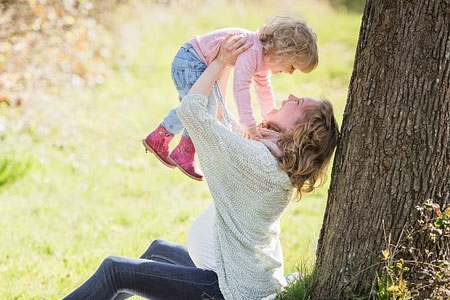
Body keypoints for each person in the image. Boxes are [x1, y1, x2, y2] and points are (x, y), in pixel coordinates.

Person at [62, 34, 339, 300]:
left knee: (116, 270)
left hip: (229, 291)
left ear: (301, 131)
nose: (290, 96)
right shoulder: (270, 155)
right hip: (227, 274)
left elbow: (192, 113)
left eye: (299, 103)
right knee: (157, 251)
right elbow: (222, 121)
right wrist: (230, 65)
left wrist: (218, 62)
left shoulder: (260, 163)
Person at [142, 16, 318, 181]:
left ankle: (164, 140)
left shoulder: (262, 58)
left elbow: (264, 89)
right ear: (284, 52)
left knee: (201, 108)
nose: (289, 72)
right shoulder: (252, 51)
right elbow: (240, 87)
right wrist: (249, 125)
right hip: (191, 61)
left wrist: (269, 117)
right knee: (200, 108)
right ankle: (180, 149)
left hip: (196, 62)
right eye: (293, 66)